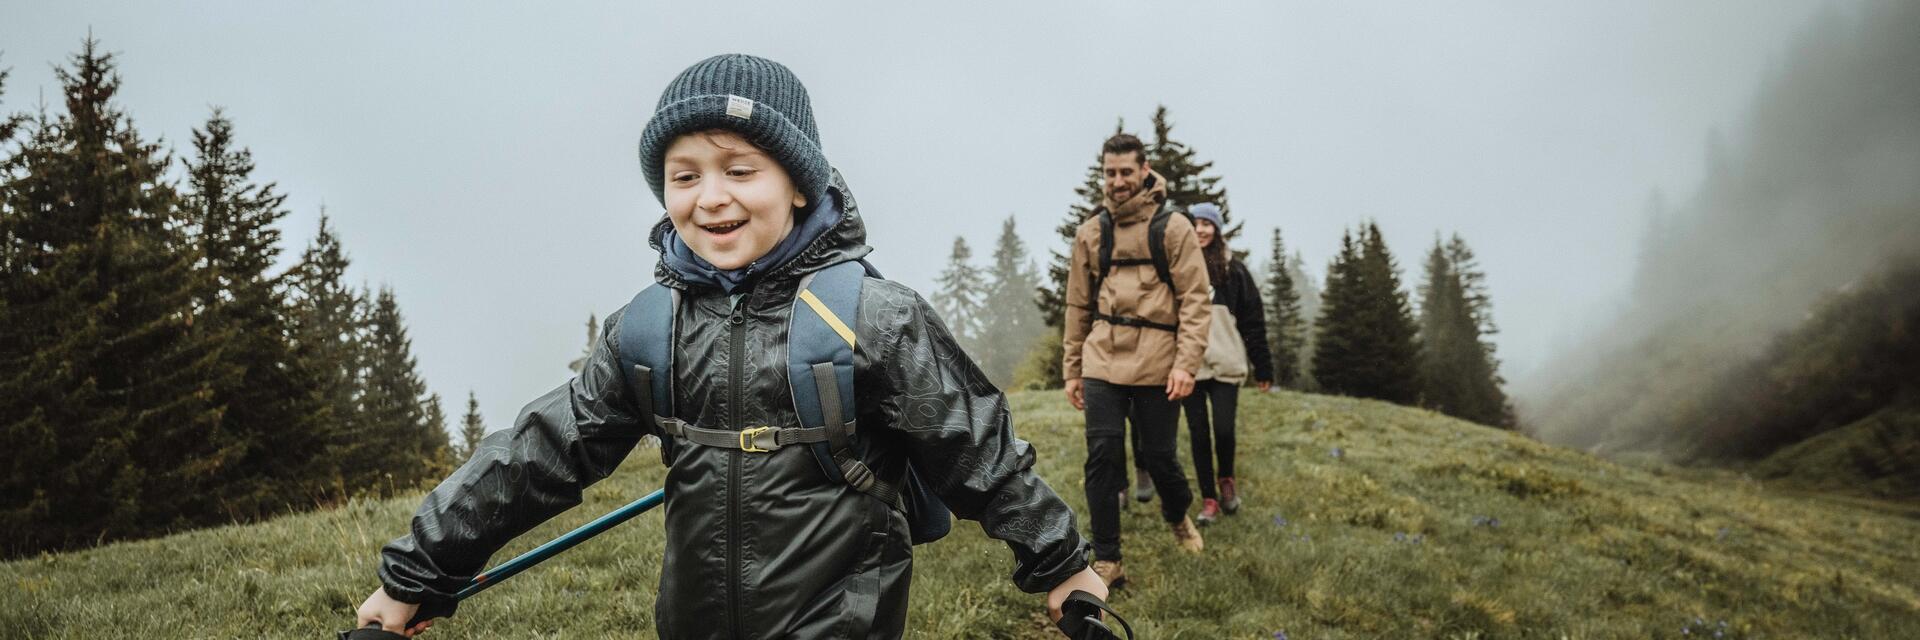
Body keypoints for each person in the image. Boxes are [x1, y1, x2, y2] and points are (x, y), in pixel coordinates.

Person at [352, 54, 1104, 639]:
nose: (711, 197)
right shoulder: (650, 329)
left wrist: (1061, 565)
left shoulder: (874, 318)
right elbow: (540, 454)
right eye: (685, 176)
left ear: (799, 185)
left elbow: (977, 448)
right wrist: (416, 573)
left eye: (740, 170)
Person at [1061, 132, 1213, 589]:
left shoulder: (1174, 229)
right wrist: (1072, 369)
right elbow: (1077, 306)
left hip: (1159, 362)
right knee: (1102, 454)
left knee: (1159, 456)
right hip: (1103, 359)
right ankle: (1108, 557)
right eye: (1110, 172)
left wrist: (1186, 363)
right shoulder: (1091, 233)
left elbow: (1195, 299)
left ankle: (1177, 513)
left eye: (1126, 172)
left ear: (1145, 171)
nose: (1118, 181)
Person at [1181, 203, 1272, 526]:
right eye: (1196, 223)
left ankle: (1227, 481)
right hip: (1189, 365)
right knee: (1199, 433)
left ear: (1217, 229)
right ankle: (1208, 499)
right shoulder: (1179, 267)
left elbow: (1252, 321)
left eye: (1208, 224)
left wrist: (1263, 366)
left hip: (1226, 364)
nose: (1201, 229)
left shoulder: (1234, 271)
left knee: (1223, 429)